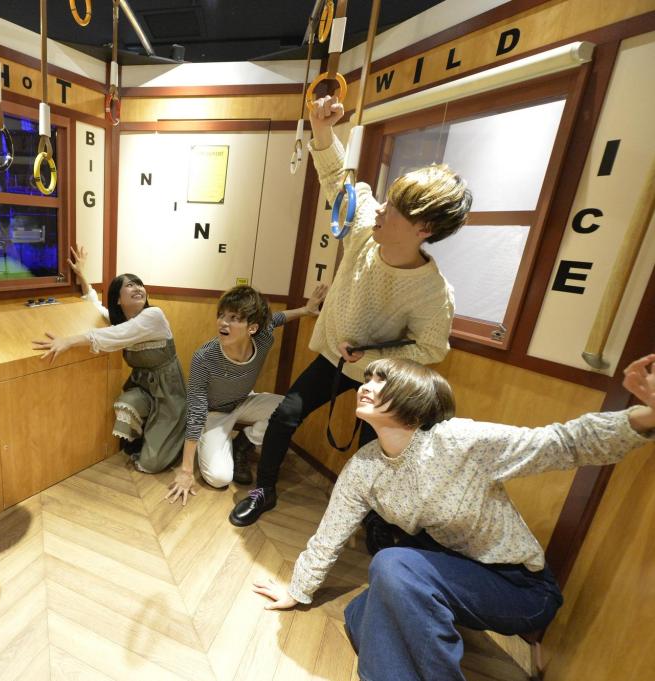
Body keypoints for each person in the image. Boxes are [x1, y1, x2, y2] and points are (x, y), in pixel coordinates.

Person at [252, 353, 655, 681]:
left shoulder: (458, 442)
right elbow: (332, 530)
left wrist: (644, 417)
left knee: (391, 565)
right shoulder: (364, 466)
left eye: (380, 381)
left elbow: (562, 443)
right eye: (367, 379)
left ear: (414, 398)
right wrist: (299, 590)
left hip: (518, 586)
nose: (365, 386)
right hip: (450, 575)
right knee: (361, 613)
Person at [230, 94, 473, 527]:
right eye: (387, 200)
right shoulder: (365, 231)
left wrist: (374, 359)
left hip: (379, 375)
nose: (381, 209)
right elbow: (337, 183)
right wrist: (322, 129)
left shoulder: (435, 293)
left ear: (424, 229)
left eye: (395, 209)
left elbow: (431, 350)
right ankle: (264, 490)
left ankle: (364, 520)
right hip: (332, 356)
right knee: (286, 414)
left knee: (373, 447)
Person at [165, 283, 328, 506]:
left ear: (252, 328)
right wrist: (185, 470)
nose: (223, 322)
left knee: (288, 408)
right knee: (220, 478)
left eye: (233, 318)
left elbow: (276, 318)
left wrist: (305, 311)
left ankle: (244, 442)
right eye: (221, 315)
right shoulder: (204, 357)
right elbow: (196, 411)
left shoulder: (263, 339)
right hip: (213, 414)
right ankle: (216, 442)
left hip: (244, 400)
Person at [33, 245, 186, 473]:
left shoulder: (154, 316)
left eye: (139, 283)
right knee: (125, 403)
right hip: (143, 387)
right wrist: (82, 275)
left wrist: (69, 341)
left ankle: (178, 431)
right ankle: (148, 433)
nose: (137, 288)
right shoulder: (121, 322)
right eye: (130, 285)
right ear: (117, 300)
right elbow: (94, 304)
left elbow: (115, 335)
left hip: (169, 391)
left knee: (150, 464)